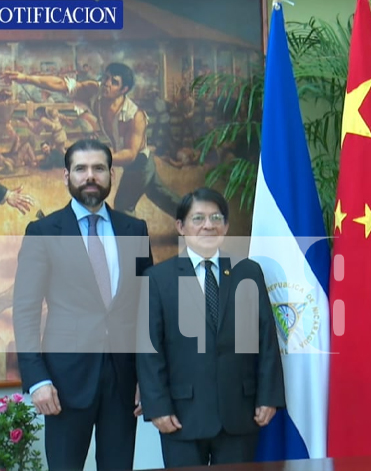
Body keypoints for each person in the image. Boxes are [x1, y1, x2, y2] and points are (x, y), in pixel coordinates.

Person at [12, 139, 153, 470]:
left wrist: (149, 379)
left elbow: (148, 308)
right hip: (63, 385)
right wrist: (37, 380)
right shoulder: (43, 231)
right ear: (66, 176)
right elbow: (26, 310)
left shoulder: (134, 230)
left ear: (111, 175)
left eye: (98, 168)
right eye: (81, 169)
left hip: (124, 385)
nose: (90, 176)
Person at [137, 187, 285, 467]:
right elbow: (149, 350)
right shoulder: (158, 279)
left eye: (216, 218)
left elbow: (266, 340)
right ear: (180, 226)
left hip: (240, 414)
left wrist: (269, 397)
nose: (208, 225)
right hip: (181, 415)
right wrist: (156, 407)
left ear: (226, 226)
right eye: (198, 218)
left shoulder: (248, 272)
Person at [2, 62, 180, 217]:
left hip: (139, 162)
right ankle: (191, 218)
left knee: (124, 205)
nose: (107, 84)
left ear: (124, 90)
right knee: (160, 195)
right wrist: (24, 78)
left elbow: (130, 155)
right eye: (107, 78)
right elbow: (60, 84)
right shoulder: (94, 91)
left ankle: (132, 252)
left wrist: (97, 156)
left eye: (114, 82)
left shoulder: (135, 116)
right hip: (129, 160)